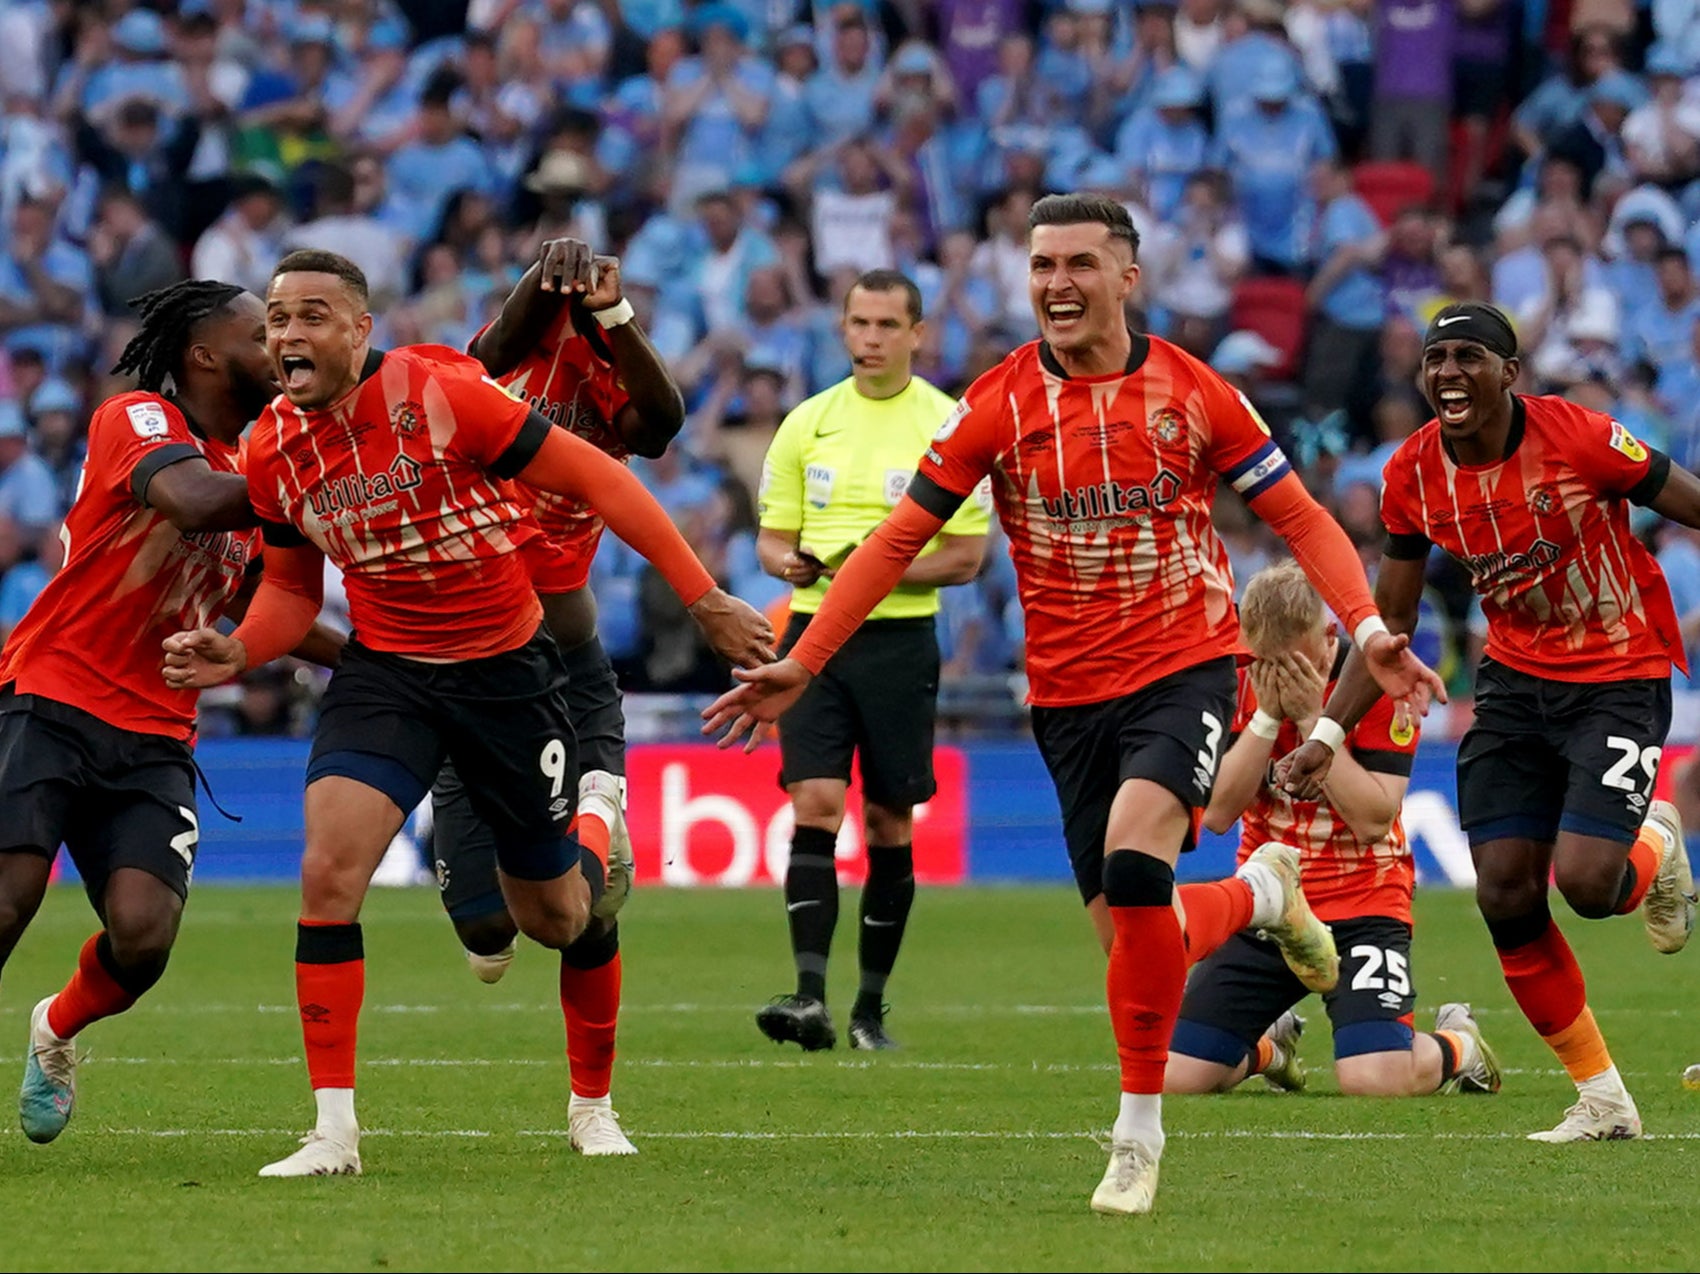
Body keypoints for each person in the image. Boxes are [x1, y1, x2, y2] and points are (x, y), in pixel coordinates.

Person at [701, 194, 1444, 1215]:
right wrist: (804, 649)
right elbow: (893, 541)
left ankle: (1134, 1140)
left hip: (1182, 666)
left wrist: (1363, 627)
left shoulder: (1195, 393)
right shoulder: (996, 403)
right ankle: (1265, 893)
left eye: (1080, 263)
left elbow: (1300, 517)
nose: (1055, 282)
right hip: (1064, 695)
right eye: (1042, 263)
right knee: (1134, 945)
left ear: (1125, 277)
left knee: (1140, 863)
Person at [160, 250, 773, 1179]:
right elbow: (290, 590)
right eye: (278, 320)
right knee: (328, 871)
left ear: (361, 330)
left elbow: (605, 480)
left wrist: (706, 599)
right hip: (387, 677)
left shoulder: (441, 392)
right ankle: (334, 1134)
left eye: (313, 316)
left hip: (506, 674)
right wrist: (242, 648)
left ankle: (592, 1100)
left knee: (558, 920)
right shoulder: (274, 447)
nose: (289, 335)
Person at [1280, 301, 1700, 1142]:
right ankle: (1605, 1102)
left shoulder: (1580, 437)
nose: (1448, 374)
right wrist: (1325, 736)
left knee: (1586, 886)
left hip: (1617, 672)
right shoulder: (1412, 474)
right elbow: (1386, 625)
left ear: (1511, 372)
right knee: (1506, 892)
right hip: (1512, 686)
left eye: (1469, 357)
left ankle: (1656, 841)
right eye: (1436, 360)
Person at [0, 280, 319, 1144]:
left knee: (142, 939)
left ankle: (55, 1030)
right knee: (8, 899)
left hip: (155, 735)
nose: (281, 345)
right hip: (51, 694)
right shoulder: (138, 418)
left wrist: (394, 664)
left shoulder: (245, 475)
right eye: (262, 332)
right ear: (205, 353)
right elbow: (191, 503)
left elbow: (274, 610)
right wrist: (318, 468)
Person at [432, 235, 688, 1158]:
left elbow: (662, 422)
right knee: (489, 933)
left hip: (564, 656)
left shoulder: (616, 378)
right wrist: (535, 288)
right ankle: (538, 837)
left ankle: (593, 1108)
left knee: (588, 911)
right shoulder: (492, 371)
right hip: (470, 662)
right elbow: (487, 351)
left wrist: (613, 316)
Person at [752, 268, 990, 1054]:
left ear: (917, 334)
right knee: (815, 802)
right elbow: (771, 540)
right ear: (842, 328)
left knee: (889, 821)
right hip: (814, 637)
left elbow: (966, 557)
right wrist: (793, 565)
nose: (872, 339)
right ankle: (810, 997)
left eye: (889, 325)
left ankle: (869, 1010)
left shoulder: (950, 424)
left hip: (898, 642)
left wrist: (875, 567)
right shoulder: (807, 423)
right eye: (860, 323)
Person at [1166, 561, 1502, 1098]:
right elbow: (1221, 813)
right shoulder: (1233, 677)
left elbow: (1374, 817)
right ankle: (1270, 1049)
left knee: (1373, 1080)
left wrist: (1313, 721)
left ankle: (1458, 1044)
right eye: (1264, 663)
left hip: (1364, 904)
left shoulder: (1379, 680)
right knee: (1177, 1076)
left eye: (1292, 663)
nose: (1275, 674)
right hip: (1269, 903)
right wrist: (1267, 718)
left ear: (1329, 640)